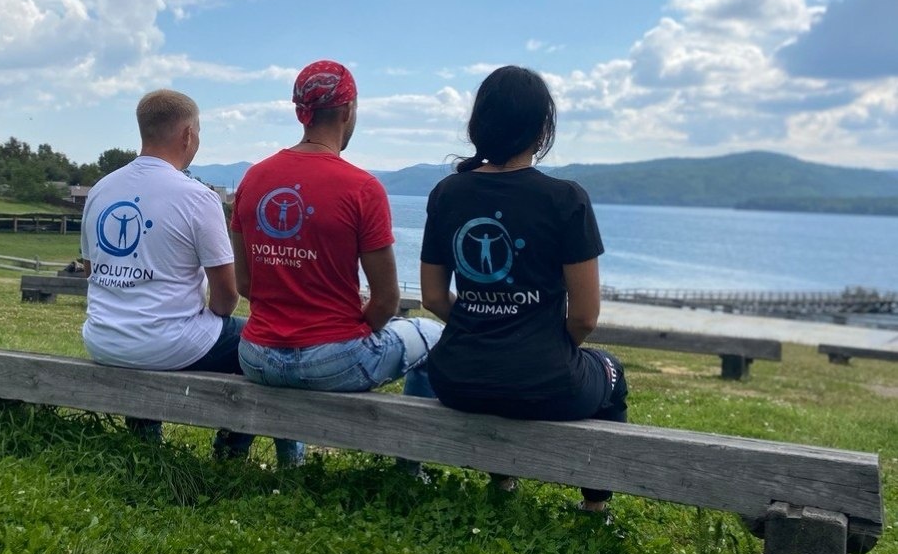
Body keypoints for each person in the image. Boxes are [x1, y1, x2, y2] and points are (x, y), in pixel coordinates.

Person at [419, 65, 627, 511]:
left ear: (478, 125)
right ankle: (595, 507)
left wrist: (479, 325)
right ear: (542, 129)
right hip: (545, 381)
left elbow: (433, 297)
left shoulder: (446, 193)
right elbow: (585, 317)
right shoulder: (566, 199)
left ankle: (502, 483)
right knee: (612, 370)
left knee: (502, 384)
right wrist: (538, 346)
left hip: (456, 378)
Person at [231, 60, 441, 469]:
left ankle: (291, 464)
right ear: (348, 111)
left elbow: (245, 285)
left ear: (300, 112)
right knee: (432, 334)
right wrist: (350, 328)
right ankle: (409, 468)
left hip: (257, 356)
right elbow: (386, 301)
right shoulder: (362, 187)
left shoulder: (253, 179)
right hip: (333, 362)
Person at [80, 88, 300, 462]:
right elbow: (226, 297)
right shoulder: (197, 197)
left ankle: (144, 439)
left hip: (103, 338)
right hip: (165, 343)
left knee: (153, 334)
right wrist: (208, 317)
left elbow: (91, 272)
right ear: (187, 135)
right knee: (266, 344)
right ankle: (241, 450)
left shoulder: (101, 190)